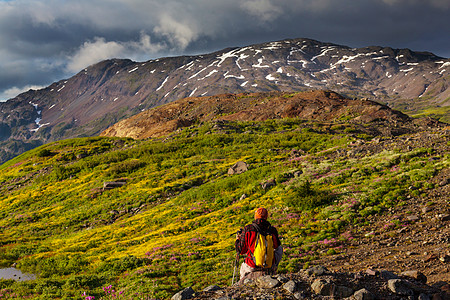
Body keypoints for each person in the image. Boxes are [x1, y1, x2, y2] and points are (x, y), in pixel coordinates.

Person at [235, 207, 283, 283]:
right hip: (269, 265)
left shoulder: (248, 229)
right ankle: (273, 269)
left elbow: (240, 250)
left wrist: (238, 240)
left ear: (255, 216)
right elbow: (276, 246)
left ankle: (242, 282)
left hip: (251, 265)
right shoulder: (272, 230)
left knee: (243, 267)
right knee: (280, 248)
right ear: (266, 217)